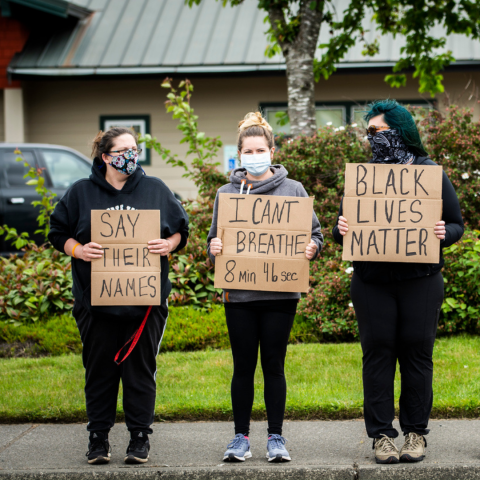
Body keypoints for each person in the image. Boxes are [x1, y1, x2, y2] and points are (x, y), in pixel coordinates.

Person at [332, 100, 464, 464]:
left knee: (417, 355)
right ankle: (381, 437)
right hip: (372, 282)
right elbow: (340, 227)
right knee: (377, 356)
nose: (371, 138)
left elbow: (456, 223)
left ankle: (415, 434)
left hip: (420, 281)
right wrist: (339, 228)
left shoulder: (429, 173)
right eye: (369, 132)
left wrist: (444, 231)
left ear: (399, 131)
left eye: (377, 131)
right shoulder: (364, 177)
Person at [48, 127, 189, 465]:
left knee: (141, 370)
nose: (131, 155)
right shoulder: (81, 193)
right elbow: (58, 233)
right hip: (95, 304)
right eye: (123, 150)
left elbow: (181, 231)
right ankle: (98, 439)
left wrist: (167, 244)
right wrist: (80, 251)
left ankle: (139, 438)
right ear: (106, 156)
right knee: (99, 371)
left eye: (135, 149)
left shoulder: (155, 189)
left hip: (144, 306)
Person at [207, 112, 323, 463]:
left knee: (274, 364)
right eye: (248, 150)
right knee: (243, 366)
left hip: (280, 295)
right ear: (239, 155)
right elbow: (216, 241)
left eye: (261, 149)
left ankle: (276, 437)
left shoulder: (294, 190)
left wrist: (312, 247)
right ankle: (240, 437)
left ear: (272, 151)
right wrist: (213, 249)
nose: (254, 155)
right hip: (239, 296)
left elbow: (315, 235)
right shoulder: (226, 193)